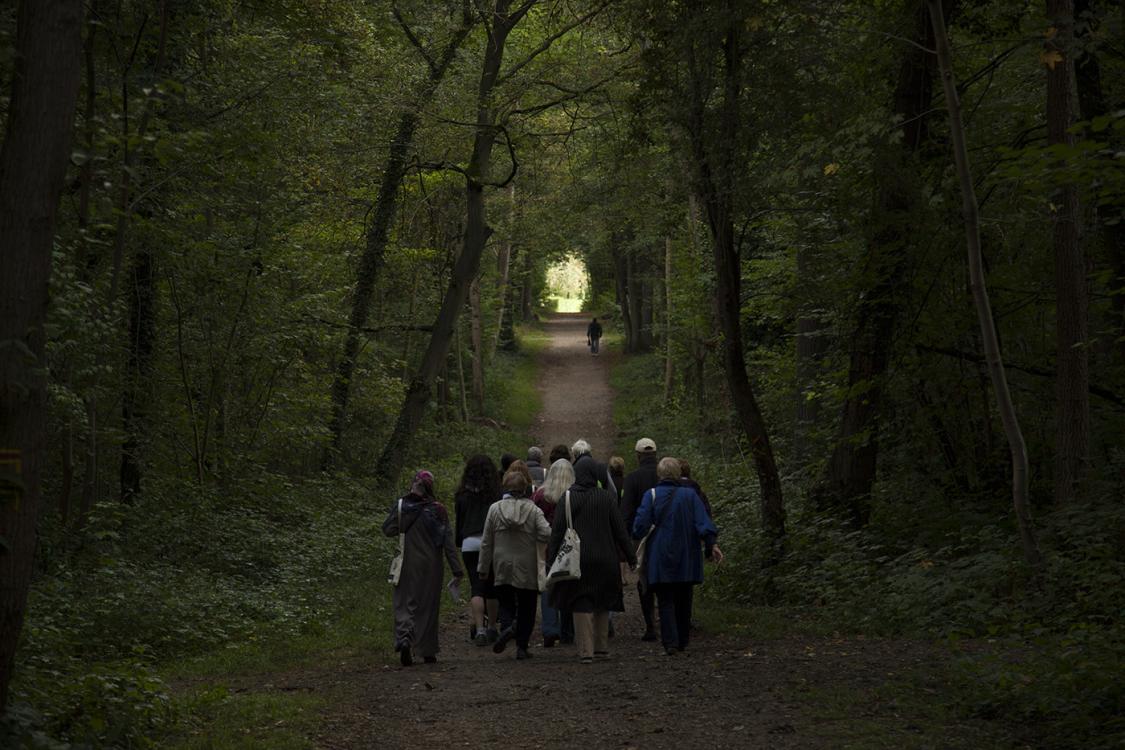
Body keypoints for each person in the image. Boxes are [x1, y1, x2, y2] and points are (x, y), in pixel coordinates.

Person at [547, 456, 636, 663]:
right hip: (606, 558)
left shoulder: (567, 498)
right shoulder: (606, 498)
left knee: (581, 602)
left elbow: (557, 533)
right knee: (603, 602)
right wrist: (631, 556)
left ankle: (585, 651)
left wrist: (551, 561)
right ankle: (601, 648)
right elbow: (620, 531)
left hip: (579, 559)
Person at [632, 457, 718, 656]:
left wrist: (637, 535)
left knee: (665, 598)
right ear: (678, 474)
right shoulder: (690, 495)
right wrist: (711, 543)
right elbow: (703, 521)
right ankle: (683, 639)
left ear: (659, 474)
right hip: (687, 553)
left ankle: (670, 642)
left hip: (660, 553)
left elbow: (639, 526)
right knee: (684, 597)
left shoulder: (651, 495)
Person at [382, 471, 464, 666]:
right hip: (431, 565)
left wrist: (401, 519)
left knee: (404, 602)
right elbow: (447, 542)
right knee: (428, 606)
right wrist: (456, 569)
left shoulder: (403, 506)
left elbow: (388, 530)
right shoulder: (438, 510)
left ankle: (404, 638)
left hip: (407, 562)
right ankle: (427, 650)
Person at [478, 471, 551, 660]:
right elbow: (546, 533)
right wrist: (534, 539)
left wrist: (483, 568)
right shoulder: (533, 510)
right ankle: (521, 645)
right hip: (526, 564)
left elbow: (486, 541)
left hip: (501, 564)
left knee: (506, 602)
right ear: (525, 488)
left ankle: (509, 626)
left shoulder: (494, 509)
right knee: (527, 605)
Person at [454, 455, 502, 645]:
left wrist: (460, 541)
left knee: (476, 587)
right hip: (491, 542)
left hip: (469, 543)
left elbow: (459, 523)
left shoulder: (462, 496)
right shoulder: (496, 494)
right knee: (491, 587)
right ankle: (492, 628)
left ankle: (479, 629)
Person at [619, 437, 660, 640]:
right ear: (655, 454)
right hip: (665, 533)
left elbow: (626, 511)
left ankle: (651, 625)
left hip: (641, 536)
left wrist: (625, 541)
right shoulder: (667, 474)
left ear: (638, 456)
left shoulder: (633, 478)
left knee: (644, 579)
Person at [531, 458, 575, 647]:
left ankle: (550, 629)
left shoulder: (541, 495)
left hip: (546, 546)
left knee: (548, 587)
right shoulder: (573, 495)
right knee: (567, 585)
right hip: (569, 547)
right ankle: (567, 631)